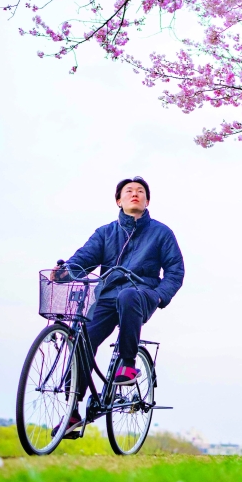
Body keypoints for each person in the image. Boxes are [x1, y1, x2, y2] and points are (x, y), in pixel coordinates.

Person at [54, 176, 185, 438]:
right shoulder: (105, 232)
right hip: (106, 295)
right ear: (118, 200)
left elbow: (175, 270)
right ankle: (72, 410)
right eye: (128, 191)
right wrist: (65, 271)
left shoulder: (161, 233)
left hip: (143, 293)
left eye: (140, 191)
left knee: (128, 296)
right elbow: (84, 259)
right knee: (83, 337)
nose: (134, 194)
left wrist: (160, 295)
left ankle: (128, 363)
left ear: (147, 200)